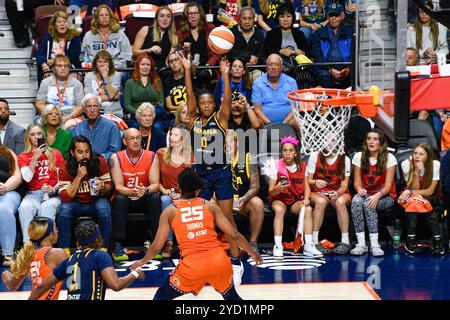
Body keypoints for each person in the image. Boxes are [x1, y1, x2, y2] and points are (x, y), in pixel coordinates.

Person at [130, 168, 262, 300]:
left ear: (178, 187)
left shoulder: (170, 211)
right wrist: (253, 253)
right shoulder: (210, 206)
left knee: (160, 297)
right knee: (232, 297)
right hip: (219, 262)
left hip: (192, 267)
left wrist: (142, 261)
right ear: (198, 189)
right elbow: (235, 235)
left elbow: (157, 246)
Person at [182, 53, 245, 286]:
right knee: (199, 219)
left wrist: (226, 76)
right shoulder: (193, 121)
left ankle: (237, 262)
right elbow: (189, 95)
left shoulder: (221, 118)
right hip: (201, 174)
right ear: (198, 106)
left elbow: (226, 98)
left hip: (221, 171)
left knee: (227, 217)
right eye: (203, 103)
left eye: (210, 102)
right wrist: (188, 70)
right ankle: (201, 262)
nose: (207, 105)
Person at [29, 220, 145, 300]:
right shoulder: (100, 256)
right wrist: (135, 274)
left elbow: (41, 287)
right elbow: (116, 285)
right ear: (98, 238)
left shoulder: (69, 261)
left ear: (78, 241)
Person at [109, 128, 162, 261]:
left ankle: (156, 242)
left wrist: (145, 191)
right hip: (127, 197)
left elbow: (155, 184)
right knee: (119, 199)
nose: (136, 141)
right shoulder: (116, 158)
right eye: (132, 138)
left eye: (138, 138)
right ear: (124, 141)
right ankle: (118, 244)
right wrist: (133, 191)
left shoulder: (151, 156)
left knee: (155, 198)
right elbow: (119, 187)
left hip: (143, 196)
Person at [267, 135, 323, 258]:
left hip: (294, 200)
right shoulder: (276, 165)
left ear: (296, 153)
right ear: (281, 152)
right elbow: (270, 192)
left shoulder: (303, 165)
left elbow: (307, 186)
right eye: (285, 150)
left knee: (307, 209)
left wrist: (307, 199)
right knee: (280, 210)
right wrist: (278, 188)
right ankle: (278, 245)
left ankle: (308, 245)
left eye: (291, 150)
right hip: (278, 199)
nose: (287, 153)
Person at [58, 135, 112, 251]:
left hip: (95, 200)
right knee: (64, 210)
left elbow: (109, 187)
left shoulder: (99, 161)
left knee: (104, 208)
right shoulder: (65, 165)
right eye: (80, 152)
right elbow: (66, 197)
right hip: (75, 202)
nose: (84, 155)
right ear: (72, 153)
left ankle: (104, 247)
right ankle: (64, 248)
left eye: (87, 151)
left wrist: (102, 187)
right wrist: (78, 177)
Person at [351, 129, 397, 257]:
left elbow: (388, 186)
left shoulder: (389, 158)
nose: (371, 142)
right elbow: (356, 183)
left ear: (381, 143)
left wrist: (377, 196)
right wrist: (359, 189)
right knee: (355, 201)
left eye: (375, 139)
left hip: (385, 196)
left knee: (368, 204)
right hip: (366, 194)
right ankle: (361, 244)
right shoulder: (358, 156)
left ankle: (375, 244)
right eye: (369, 138)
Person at [17, 124, 65, 243]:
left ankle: (46, 245)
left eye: (39, 134)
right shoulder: (23, 157)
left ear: (43, 136)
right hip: (33, 194)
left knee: (46, 207)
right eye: (33, 134)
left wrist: (54, 189)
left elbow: (63, 178)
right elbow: (27, 178)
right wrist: (34, 158)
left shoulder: (56, 153)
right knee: (24, 207)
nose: (36, 137)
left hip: (52, 194)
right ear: (28, 137)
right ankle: (28, 247)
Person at [1, 217, 68, 300]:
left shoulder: (29, 255)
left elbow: (13, 285)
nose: (57, 231)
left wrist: (6, 276)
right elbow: (75, 280)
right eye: (55, 228)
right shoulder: (56, 253)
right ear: (50, 234)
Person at [398, 143, 444, 255]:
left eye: (421, 154)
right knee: (414, 201)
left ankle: (411, 239)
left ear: (427, 157)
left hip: (429, 196)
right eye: (415, 153)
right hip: (413, 198)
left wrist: (410, 192)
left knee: (422, 200)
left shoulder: (435, 164)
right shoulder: (406, 164)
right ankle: (437, 239)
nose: (417, 156)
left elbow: (430, 191)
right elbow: (414, 188)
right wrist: (417, 172)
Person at [156, 125, 193, 258]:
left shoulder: (190, 156)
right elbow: (155, 180)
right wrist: (163, 190)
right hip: (167, 195)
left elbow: (193, 182)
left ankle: (188, 243)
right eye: (171, 134)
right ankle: (169, 242)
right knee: (165, 200)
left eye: (175, 135)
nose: (171, 137)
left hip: (185, 195)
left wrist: (182, 194)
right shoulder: (160, 153)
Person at [306, 149, 352, 255]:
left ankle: (345, 241)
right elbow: (307, 180)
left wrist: (338, 193)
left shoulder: (345, 159)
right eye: (327, 139)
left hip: (338, 191)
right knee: (321, 202)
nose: (329, 143)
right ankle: (313, 241)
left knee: (340, 202)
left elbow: (344, 185)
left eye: (333, 140)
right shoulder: (315, 156)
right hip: (318, 192)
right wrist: (315, 181)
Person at [230, 134, 264, 253]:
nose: (228, 145)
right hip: (224, 201)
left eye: (231, 142)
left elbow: (255, 186)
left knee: (258, 203)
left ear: (237, 143)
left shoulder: (249, 158)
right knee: (210, 202)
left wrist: (243, 199)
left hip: (242, 201)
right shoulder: (216, 160)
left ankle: (253, 242)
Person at [310, 2, 353, 88]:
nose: (333, 18)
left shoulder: (350, 32)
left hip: (346, 67)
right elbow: (317, 57)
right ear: (327, 17)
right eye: (331, 15)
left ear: (342, 16)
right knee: (323, 75)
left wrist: (348, 68)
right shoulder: (318, 34)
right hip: (326, 67)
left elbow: (354, 53)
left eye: (336, 15)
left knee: (354, 74)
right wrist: (330, 70)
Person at [70, 94, 122, 161]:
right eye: (89, 106)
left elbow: (115, 152)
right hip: (83, 163)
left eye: (95, 106)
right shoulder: (79, 127)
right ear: (84, 110)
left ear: (99, 108)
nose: (92, 110)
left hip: (104, 165)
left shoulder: (112, 127)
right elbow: (75, 149)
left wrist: (97, 159)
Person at [35, 54, 84, 122]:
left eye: (66, 66)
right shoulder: (45, 82)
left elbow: (81, 107)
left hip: (70, 116)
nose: (63, 68)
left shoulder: (77, 84)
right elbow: (39, 104)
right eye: (59, 65)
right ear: (53, 69)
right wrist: (52, 115)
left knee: (73, 127)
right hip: (49, 115)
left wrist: (68, 118)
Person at [82, 4, 133, 70]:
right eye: (101, 15)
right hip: (95, 68)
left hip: (117, 68)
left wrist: (113, 65)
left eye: (107, 15)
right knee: (89, 78)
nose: (104, 17)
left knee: (114, 77)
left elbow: (127, 54)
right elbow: (84, 55)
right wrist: (98, 64)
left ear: (111, 18)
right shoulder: (88, 35)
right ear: (97, 19)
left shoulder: (120, 34)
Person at [35, 11, 81, 82]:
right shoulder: (48, 37)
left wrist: (53, 62)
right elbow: (40, 54)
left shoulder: (74, 37)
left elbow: (72, 56)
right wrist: (44, 65)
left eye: (64, 21)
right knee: (46, 77)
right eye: (59, 22)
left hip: (70, 68)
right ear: (54, 25)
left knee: (74, 78)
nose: (62, 24)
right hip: (51, 68)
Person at [252, 54, 298, 124]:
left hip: (289, 121)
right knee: (255, 124)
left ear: (282, 67)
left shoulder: (291, 82)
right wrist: (270, 124)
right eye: (270, 64)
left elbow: (295, 107)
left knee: (298, 123)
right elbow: (257, 109)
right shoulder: (257, 83)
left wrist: (284, 124)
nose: (273, 67)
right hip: (264, 122)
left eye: (276, 64)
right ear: (266, 67)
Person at [124, 54, 165, 127]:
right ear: (137, 66)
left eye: (148, 65)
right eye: (143, 64)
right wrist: (139, 114)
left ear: (151, 67)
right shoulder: (130, 82)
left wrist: (150, 114)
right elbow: (127, 105)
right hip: (136, 118)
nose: (145, 67)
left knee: (157, 127)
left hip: (153, 117)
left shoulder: (157, 81)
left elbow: (161, 103)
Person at [132, 6, 178, 70]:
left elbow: (169, 60)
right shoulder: (145, 30)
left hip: (163, 70)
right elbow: (134, 53)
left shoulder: (174, 37)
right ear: (156, 18)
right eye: (162, 16)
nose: (165, 19)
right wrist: (148, 50)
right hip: (145, 68)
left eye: (168, 16)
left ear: (171, 20)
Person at [177, 2, 220, 67]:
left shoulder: (210, 28)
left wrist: (209, 65)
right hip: (188, 69)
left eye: (196, 13)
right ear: (186, 16)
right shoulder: (181, 32)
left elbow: (217, 51)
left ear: (200, 15)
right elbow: (179, 55)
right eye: (190, 13)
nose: (193, 16)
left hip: (208, 68)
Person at [0, 143, 22, 266]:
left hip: (8, 192)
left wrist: (6, 187)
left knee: (3, 209)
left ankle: (8, 254)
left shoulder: (7, 152)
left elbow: (17, 176)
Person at [407, 0, 448, 64]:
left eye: (427, 12)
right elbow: (409, 51)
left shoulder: (440, 26)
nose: (424, 14)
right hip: (418, 63)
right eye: (421, 11)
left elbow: (445, 48)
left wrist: (436, 54)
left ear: (431, 12)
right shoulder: (411, 28)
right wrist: (423, 54)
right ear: (418, 13)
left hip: (436, 62)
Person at [83, 50, 123, 118]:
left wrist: (105, 76)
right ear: (95, 63)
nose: (102, 64)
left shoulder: (116, 75)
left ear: (109, 63)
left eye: (105, 62)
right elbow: (89, 99)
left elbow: (111, 94)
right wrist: (110, 98)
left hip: (113, 113)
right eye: (100, 61)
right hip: (94, 113)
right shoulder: (89, 76)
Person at [228, 7, 265, 72]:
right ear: (239, 19)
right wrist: (248, 57)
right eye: (244, 18)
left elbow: (262, 54)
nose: (247, 21)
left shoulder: (260, 34)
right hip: (234, 70)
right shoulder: (231, 33)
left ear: (254, 19)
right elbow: (229, 53)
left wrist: (255, 61)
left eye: (250, 18)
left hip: (254, 70)